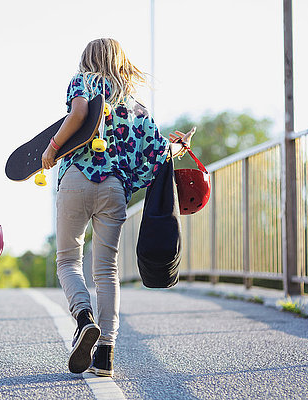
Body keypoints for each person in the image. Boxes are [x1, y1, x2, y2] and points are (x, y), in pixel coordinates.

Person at [41, 38, 193, 377]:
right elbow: (158, 153)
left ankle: (84, 318)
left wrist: (52, 147)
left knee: (68, 259)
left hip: (77, 178)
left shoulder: (85, 81)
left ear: (87, 59)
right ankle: (106, 354)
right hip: (113, 190)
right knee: (106, 270)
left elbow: (79, 113)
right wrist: (179, 146)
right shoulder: (137, 107)